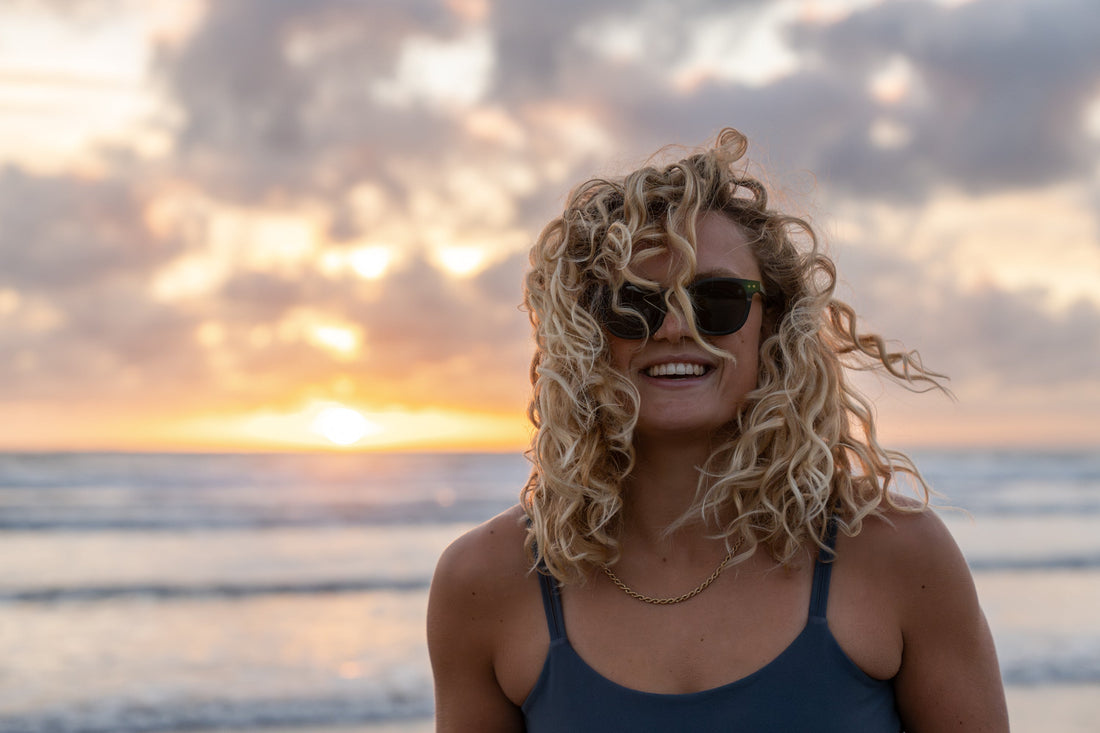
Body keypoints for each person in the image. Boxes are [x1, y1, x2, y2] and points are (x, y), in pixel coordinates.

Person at [427, 128, 1008, 731]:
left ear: (772, 325)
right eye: (634, 303)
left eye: (717, 299)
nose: (677, 328)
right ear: (583, 333)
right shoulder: (486, 582)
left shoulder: (896, 555)